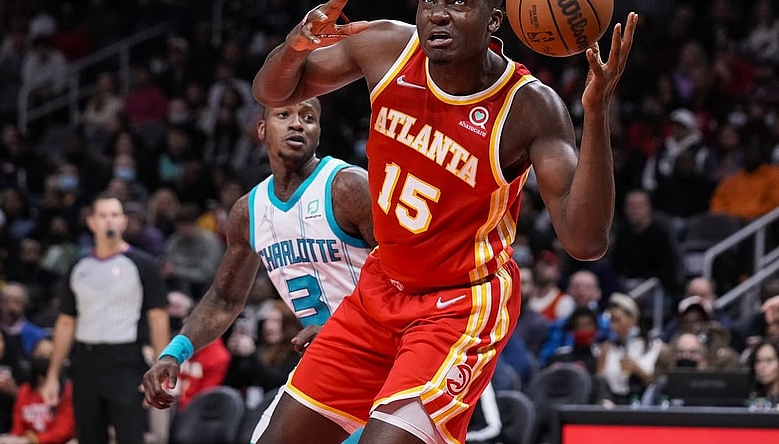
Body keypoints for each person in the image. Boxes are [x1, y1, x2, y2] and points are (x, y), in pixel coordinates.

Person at [146, 1, 638, 442]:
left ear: (494, 20)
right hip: (380, 290)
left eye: (459, 3)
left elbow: (585, 241)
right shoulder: (388, 47)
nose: (438, 13)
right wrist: (297, 43)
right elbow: (273, 90)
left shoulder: (529, 106)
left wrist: (595, 112)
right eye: (430, 1)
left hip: (459, 304)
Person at [143, 97, 375, 441]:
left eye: (308, 117)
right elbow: (224, 300)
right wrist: (174, 353)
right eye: (285, 115)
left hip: (383, 351)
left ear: (319, 132)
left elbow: (403, 273)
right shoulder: (249, 211)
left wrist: (343, 327)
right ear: (262, 130)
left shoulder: (348, 186)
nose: (297, 124)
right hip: (327, 361)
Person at [42, 193, 170, 444]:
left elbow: (158, 319)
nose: (109, 221)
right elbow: (66, 322)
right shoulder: (77, 267)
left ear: (123, 222)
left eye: (114, 215)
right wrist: (53, 375)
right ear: (91, 222)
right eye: (102, 215)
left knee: (130, 437)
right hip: (85, 361)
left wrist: (161, 368)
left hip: (126, 361)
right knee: (88, 436)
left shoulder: (143, 265)